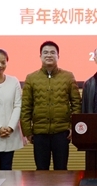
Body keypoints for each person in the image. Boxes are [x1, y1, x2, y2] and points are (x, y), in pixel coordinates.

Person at [21, 41, 81, 170]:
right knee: (41, 171)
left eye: (53, 52)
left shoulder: (68, 76)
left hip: (62, 133)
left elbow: (76, 104)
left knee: (61, 170)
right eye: (46, 52)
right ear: (40, 56)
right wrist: (28, 132)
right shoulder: (31, 78)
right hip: (39, 134)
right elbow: (26, 107)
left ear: (58, 56)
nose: (49, 55)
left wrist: (73, 127)